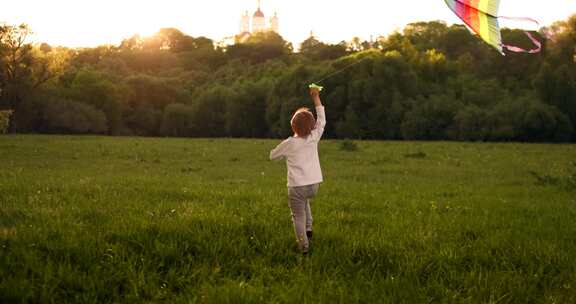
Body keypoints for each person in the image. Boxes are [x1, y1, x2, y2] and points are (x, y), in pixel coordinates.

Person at [269, 87, 326, 255]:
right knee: (305, 200)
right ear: (312, 126)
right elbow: (322, 118)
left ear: (293, 126)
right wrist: (316, 97)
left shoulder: (289, 143)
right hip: (314, 185)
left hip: (296, 187)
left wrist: (284, 151)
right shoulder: (314, 137)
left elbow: (272, 156)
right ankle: (309, 229)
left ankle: (304, 248)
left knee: (297, 215)